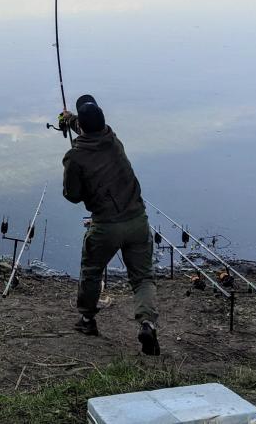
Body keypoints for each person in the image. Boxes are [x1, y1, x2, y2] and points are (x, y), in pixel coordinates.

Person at [59, 94, 159, 355]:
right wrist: (71, 120)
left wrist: (75, 162)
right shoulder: (114, 141)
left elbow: (73, 195)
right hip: (137, 220)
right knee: (142, 278)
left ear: (82, 127)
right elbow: (90, 129)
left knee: (92, 271)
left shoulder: (75, 157)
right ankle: (147, 324)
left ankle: (87, 320)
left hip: (106, 226)